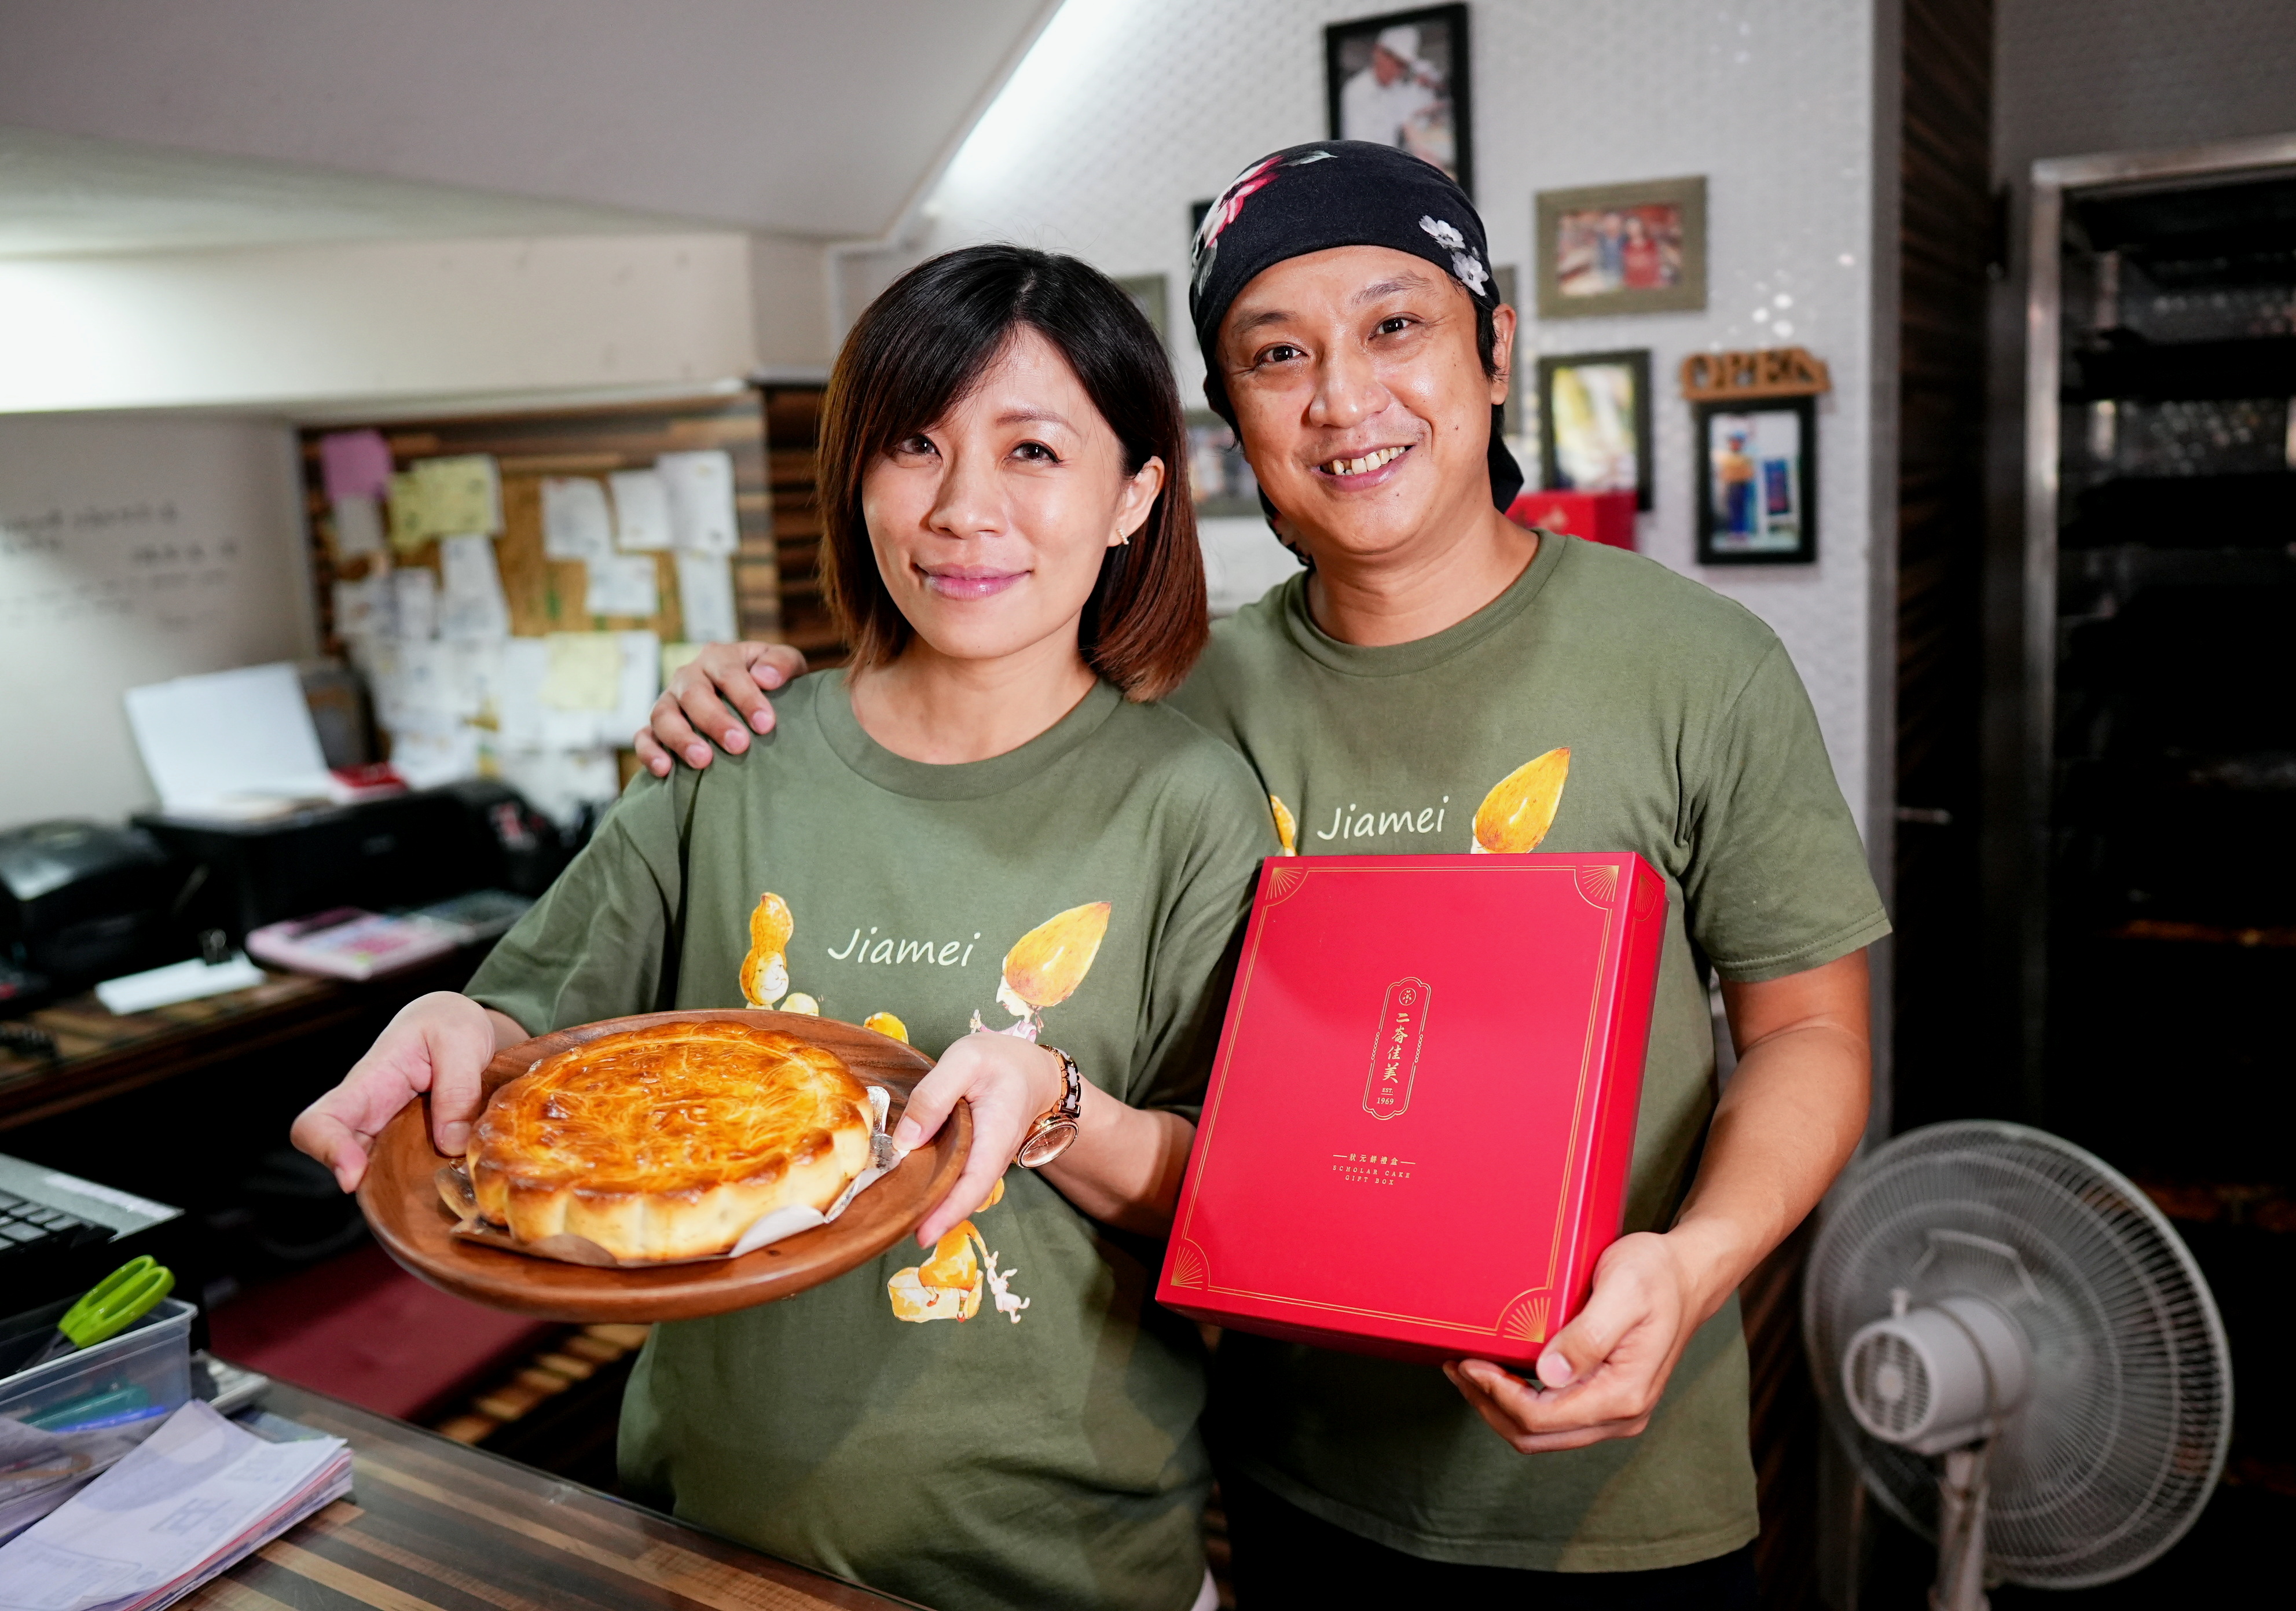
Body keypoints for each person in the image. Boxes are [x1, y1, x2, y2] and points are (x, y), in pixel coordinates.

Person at [639, 142, 1888, 1607]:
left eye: (1393, 326)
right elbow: (946, 708)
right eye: (1275, 355)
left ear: (1494, 348)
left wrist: (1693, 1261)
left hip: (1608, 1475)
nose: (1343, 398)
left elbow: (1806, 1030)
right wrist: (745, 686)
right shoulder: (1176, 690)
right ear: (1231, 418)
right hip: (1280, 1464)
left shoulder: (1696, 664)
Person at [291, 245, 1277, 1611]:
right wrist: (454, 1021)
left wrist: (1052, 1106)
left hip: (1063, 1555)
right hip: (704, 1525)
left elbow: (1236, 1212)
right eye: (913, 444)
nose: (960, 508)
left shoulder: (1194, 804)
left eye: (1033, 450)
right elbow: (522, 1030)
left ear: (1134, 496)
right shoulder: (732, 753)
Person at [1338, 25, 1439, 152]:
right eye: (1396, 63)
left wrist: (1423, 152)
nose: (1398, 71)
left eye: (1403, 66)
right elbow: (1356, 148)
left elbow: (1406, 122)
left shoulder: (1396, 88)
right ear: (1378, 52)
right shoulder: (1355, 92)